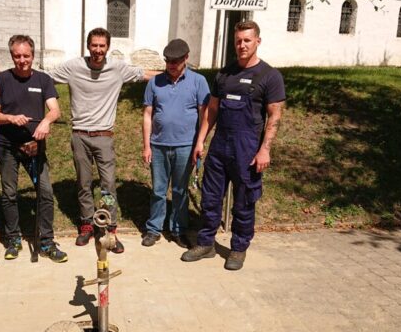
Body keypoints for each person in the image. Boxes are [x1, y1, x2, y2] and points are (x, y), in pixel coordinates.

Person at [181, 21, 285, 271]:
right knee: (210, 198)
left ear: (257, 41)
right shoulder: (224, 74)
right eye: (238, 41)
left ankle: (238, 248)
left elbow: (275, 116)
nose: (242, 45)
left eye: (247, 40)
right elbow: (212, 110)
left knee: (244, 202)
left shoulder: (270, 76)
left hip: (247, 150)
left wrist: (265, 149)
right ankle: (206, 243)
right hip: (220, 147)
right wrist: (200, 141)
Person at [49, 27, 158, 252]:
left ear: (107, 47)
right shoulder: (73, 67)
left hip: (104, 137)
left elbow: (144, 74)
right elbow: (43, 77)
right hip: (79, 135)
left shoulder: (117, 68)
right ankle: (87, 225)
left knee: (108, 185)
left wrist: (176, 73)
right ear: (88, 46)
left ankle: (110, 229)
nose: (98, 50)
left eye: (102, 46)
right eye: (94, 45)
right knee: (84, 184)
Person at [0, 35, 67, 262]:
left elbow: (54, 110)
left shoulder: (43, 80)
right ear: (11, 55)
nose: (22, 60)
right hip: (7, 147)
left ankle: (46, 242)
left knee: (45, 192)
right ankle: (13, 239)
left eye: (26, 55)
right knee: (10, 193)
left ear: (34, 55)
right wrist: (10, 118)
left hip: (34, 146)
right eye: (17, 56)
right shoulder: (1, 80)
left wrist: (45, 122)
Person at [141, 39, 210, 248]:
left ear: (186, 58)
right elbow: (147, 114)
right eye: (168, 60)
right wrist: (146, 145)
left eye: (176, 61)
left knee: (180, 190)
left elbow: (205, 115)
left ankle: (178, 230)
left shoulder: (199, 81)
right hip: (158, 145)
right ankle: (154, 229)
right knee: (158, 190)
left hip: (185, 146)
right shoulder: (155, 82)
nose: (171, 65)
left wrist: (200, 143)